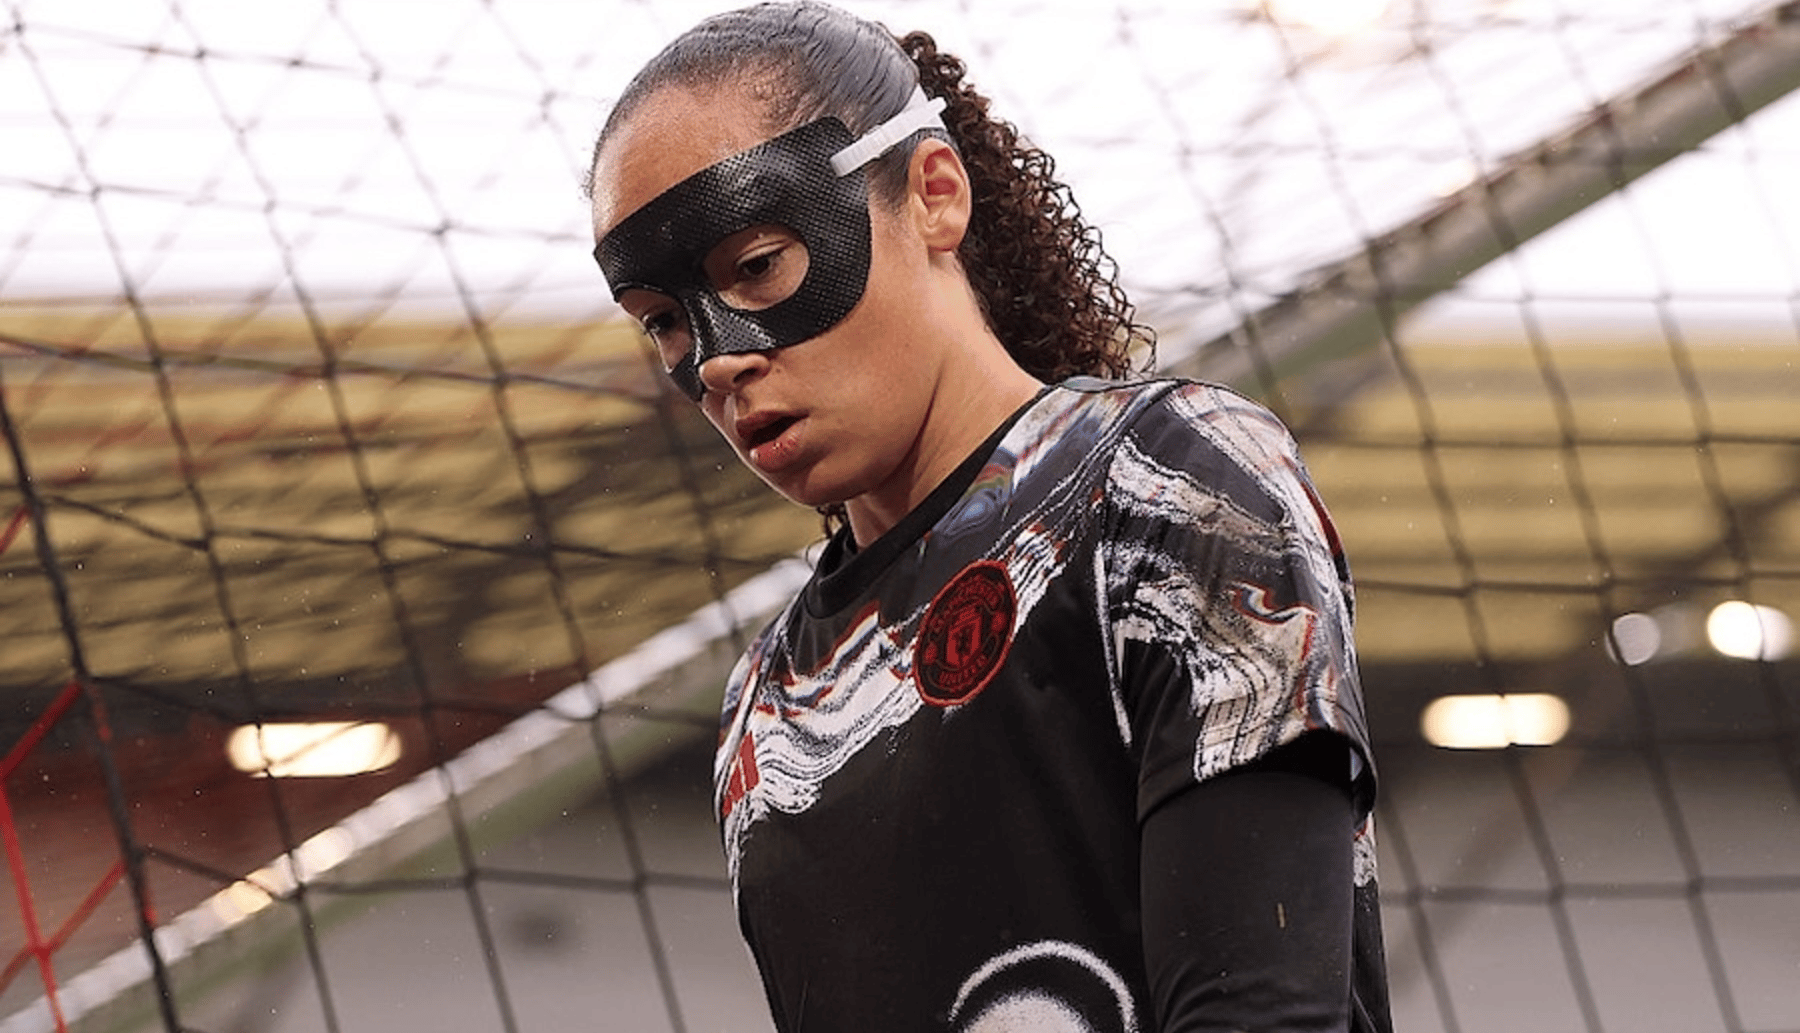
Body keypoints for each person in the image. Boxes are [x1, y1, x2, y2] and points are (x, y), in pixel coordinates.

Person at [585, 3, 1392, 1030]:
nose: (719, 358)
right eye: (663, 322)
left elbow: (1265, 1016)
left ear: (933, 193)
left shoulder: (1162, 484)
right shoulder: (774, 711)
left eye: (757, 265)